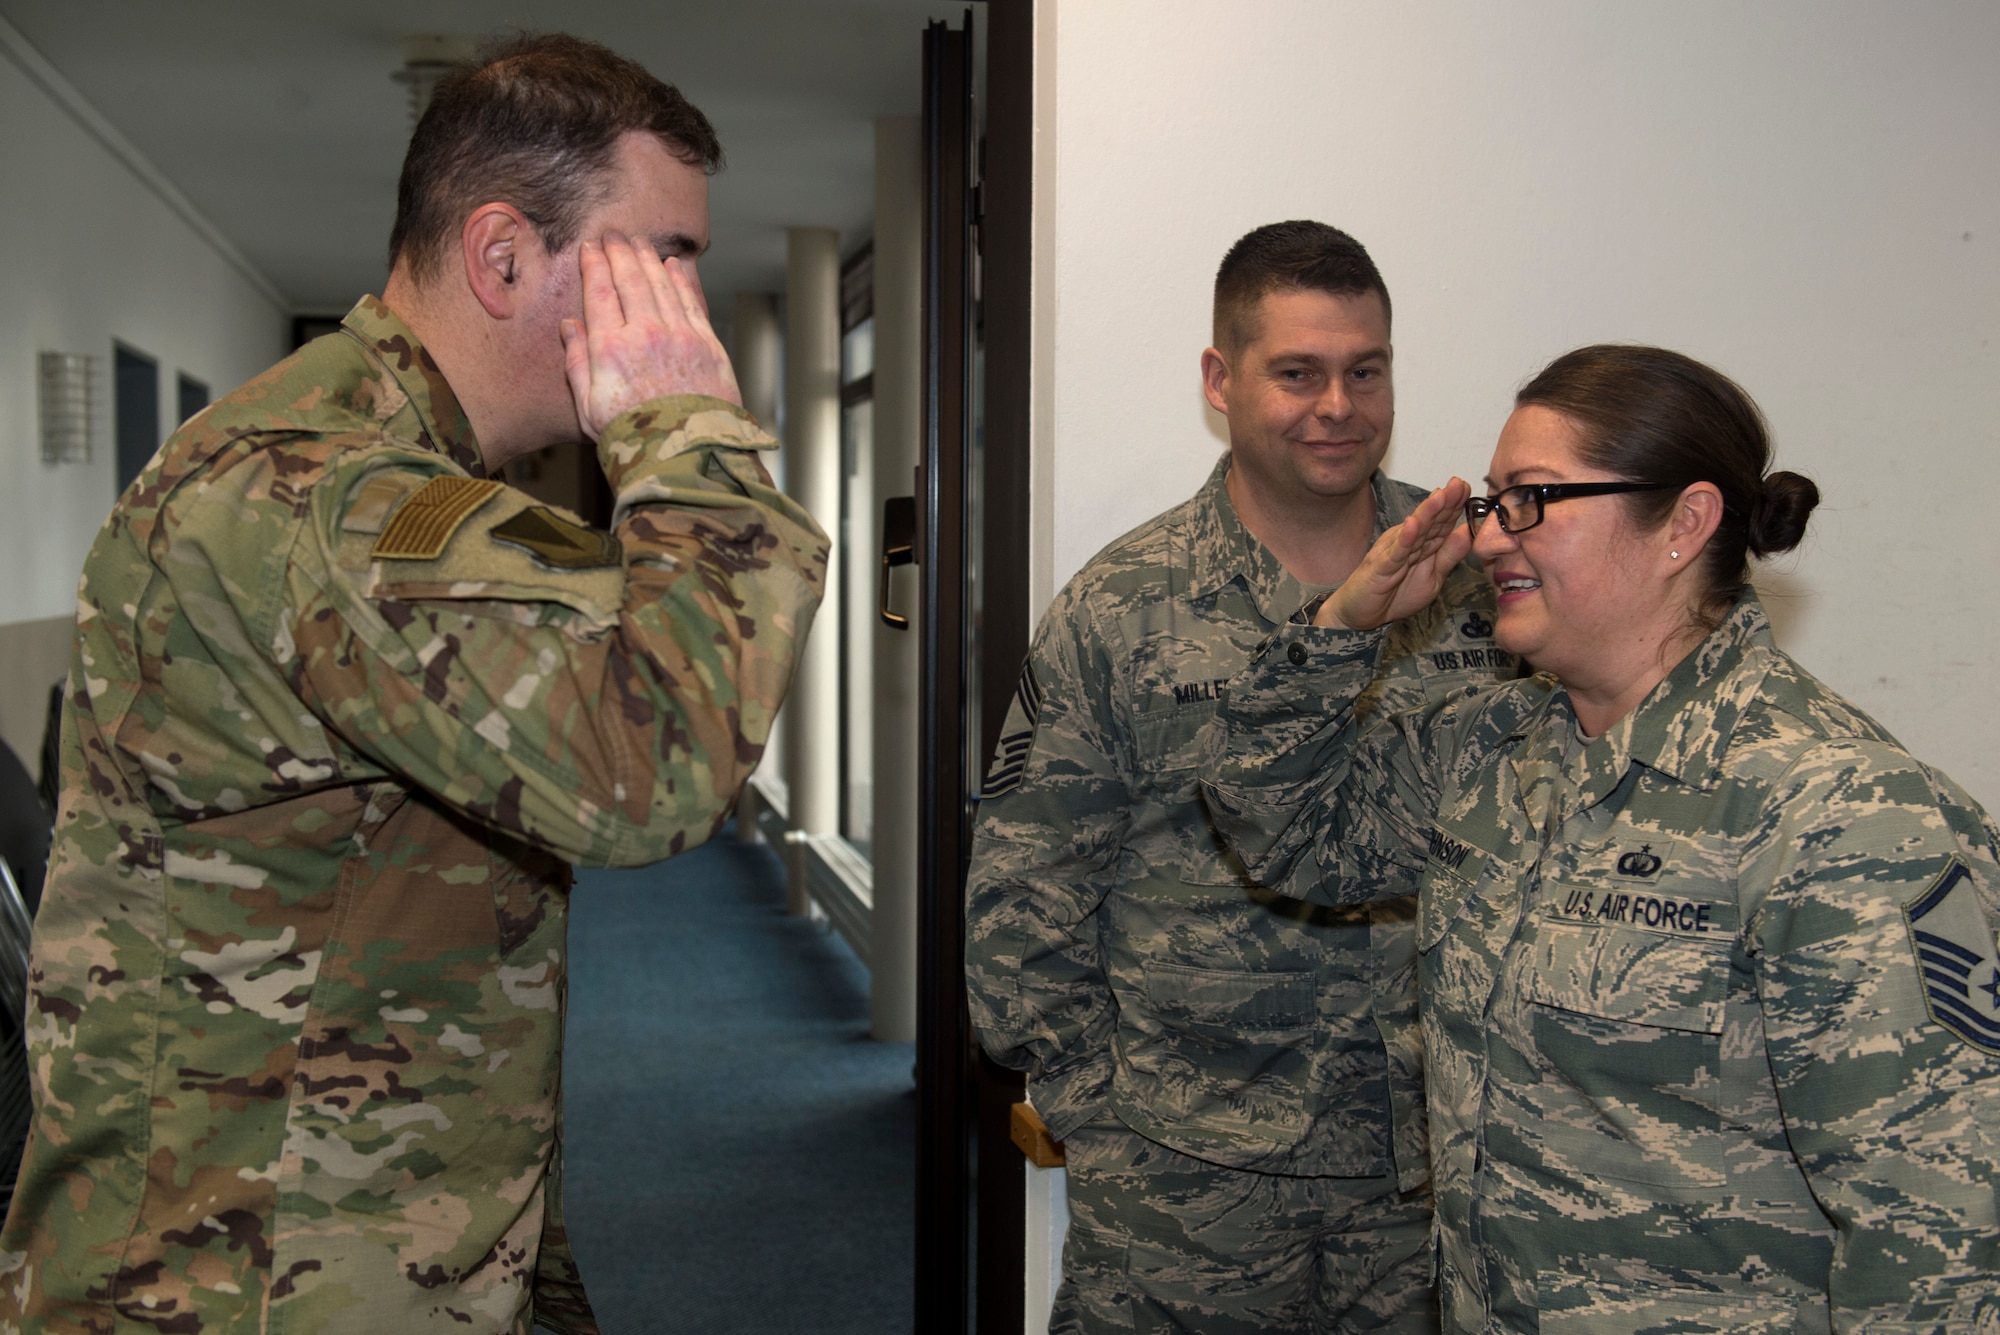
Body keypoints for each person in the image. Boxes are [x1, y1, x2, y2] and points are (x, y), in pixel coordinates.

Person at [0, 34, 827, 1335]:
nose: (688, 316)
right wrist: (694, 443)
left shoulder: (394, 476)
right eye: (658, 262)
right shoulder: (329, 498)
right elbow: (655, 769)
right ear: (503, 256)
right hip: (241, 1283)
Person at [1202, 343, 2000, 1334]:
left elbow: (1938, 1244)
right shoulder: (1489, 749)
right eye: (1490, 503)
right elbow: (1276, 829)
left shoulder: (1840, 814)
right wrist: (1341, 627)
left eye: (1529, 499)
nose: (1490, 539)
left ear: (1683, 524)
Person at [966, 221, 1510, 1333]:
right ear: (1220, 381)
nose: (1337, 406)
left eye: (1365, 371)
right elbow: (1022, 901)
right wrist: (1109, 1134)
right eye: (1296, 373)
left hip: (1428, 1184)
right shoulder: (1123, 608)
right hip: (1189, 1194)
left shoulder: (1472, 583)